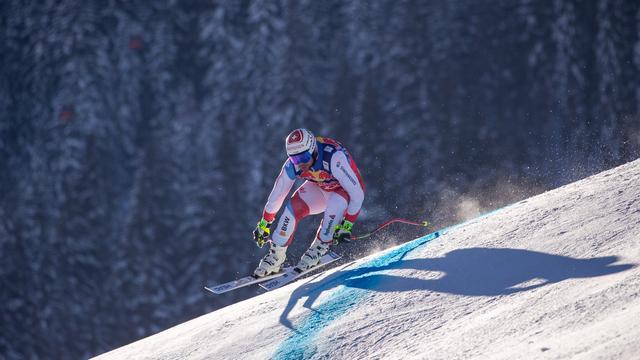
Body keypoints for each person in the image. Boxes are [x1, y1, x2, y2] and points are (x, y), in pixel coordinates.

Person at [252, 128, 365, 277]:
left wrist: (347, 224)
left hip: (342, 191)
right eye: (294, 159)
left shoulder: (334, 158)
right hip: (320, 187)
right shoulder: (293, 165)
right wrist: (264, 223)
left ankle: (319, 247)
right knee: (292, 209)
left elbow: (358, 193)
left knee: (334, 208)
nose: (300, 164)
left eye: (303, 158)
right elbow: (277, 195)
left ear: (313, 150)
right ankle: (276, 256)